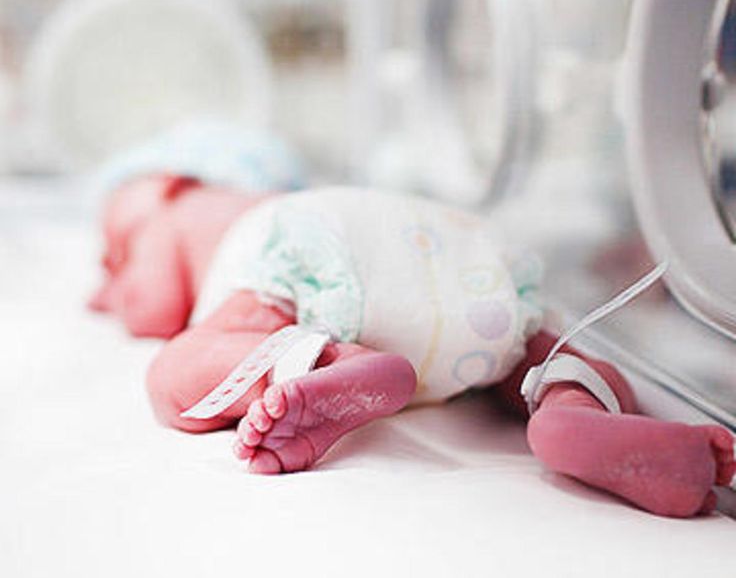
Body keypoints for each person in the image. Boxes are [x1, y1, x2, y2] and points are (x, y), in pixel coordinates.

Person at [90, 173, 735, 518]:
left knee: (170, 377)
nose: (114, 256)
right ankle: (575, 408)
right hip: (455, 247)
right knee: (529, 350)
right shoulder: (313, 191)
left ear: (166, 185)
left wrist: (117, 283)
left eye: (115, 242)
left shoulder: (172, 211)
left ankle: (327, 359)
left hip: (310, 254)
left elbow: (152, 309)